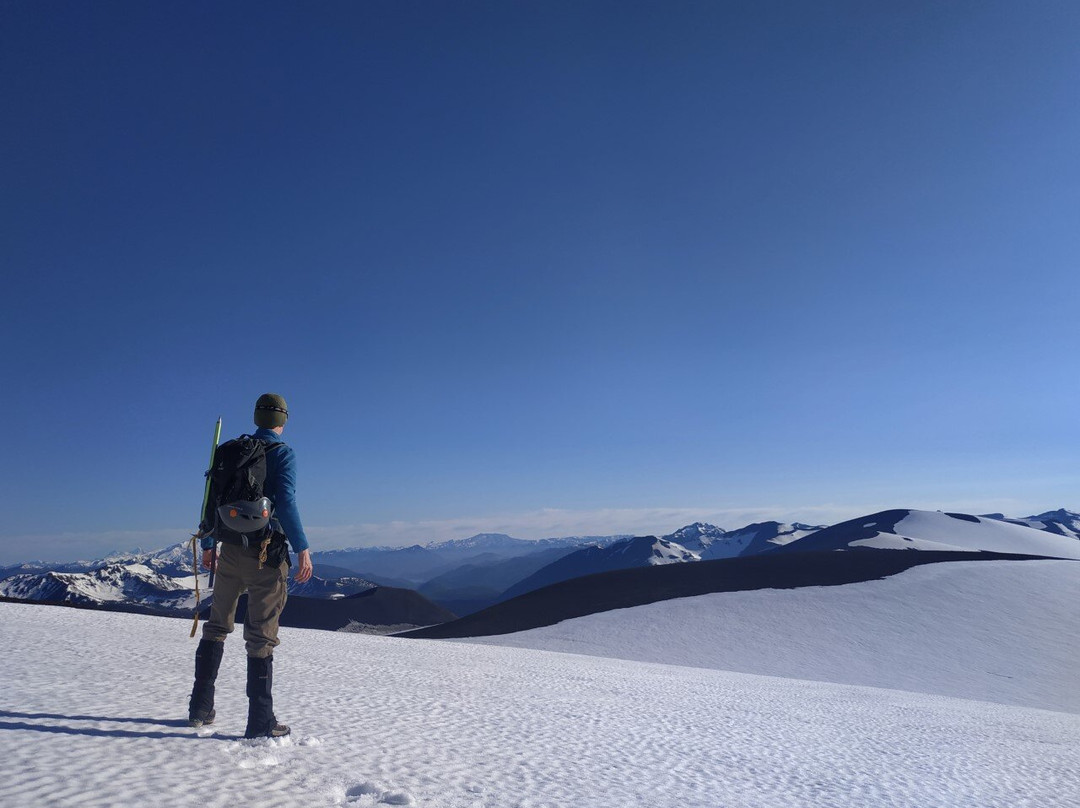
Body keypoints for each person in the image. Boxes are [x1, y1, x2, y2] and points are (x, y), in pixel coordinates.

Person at [187, 393, 314, 738]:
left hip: (228, 549)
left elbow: (212, 497)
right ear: (282, 420)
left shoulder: (229, 451)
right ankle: (260, 720)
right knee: (260, 636)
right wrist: (302, 547)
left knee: (216, 626)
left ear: (256, 418)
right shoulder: (282, 453)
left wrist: (210, 542)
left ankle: (200, 707)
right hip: (267, 554)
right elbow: (285, 501)